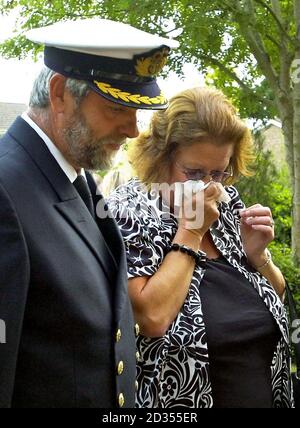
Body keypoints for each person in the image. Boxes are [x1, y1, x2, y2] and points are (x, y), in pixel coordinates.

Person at [0, 18, 178, 408]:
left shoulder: (69, 176)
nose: (133, 130)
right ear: (60, 92)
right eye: (117, 106)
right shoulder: (6, 187)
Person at [108, 87, 293, 408]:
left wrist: (259, 258)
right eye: (194, 173)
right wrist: (192, 230)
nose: (209, 186)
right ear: (161, 157)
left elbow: (276, 296)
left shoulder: (228, 203)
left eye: (220, 172)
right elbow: (150, 319)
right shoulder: (129, 211)